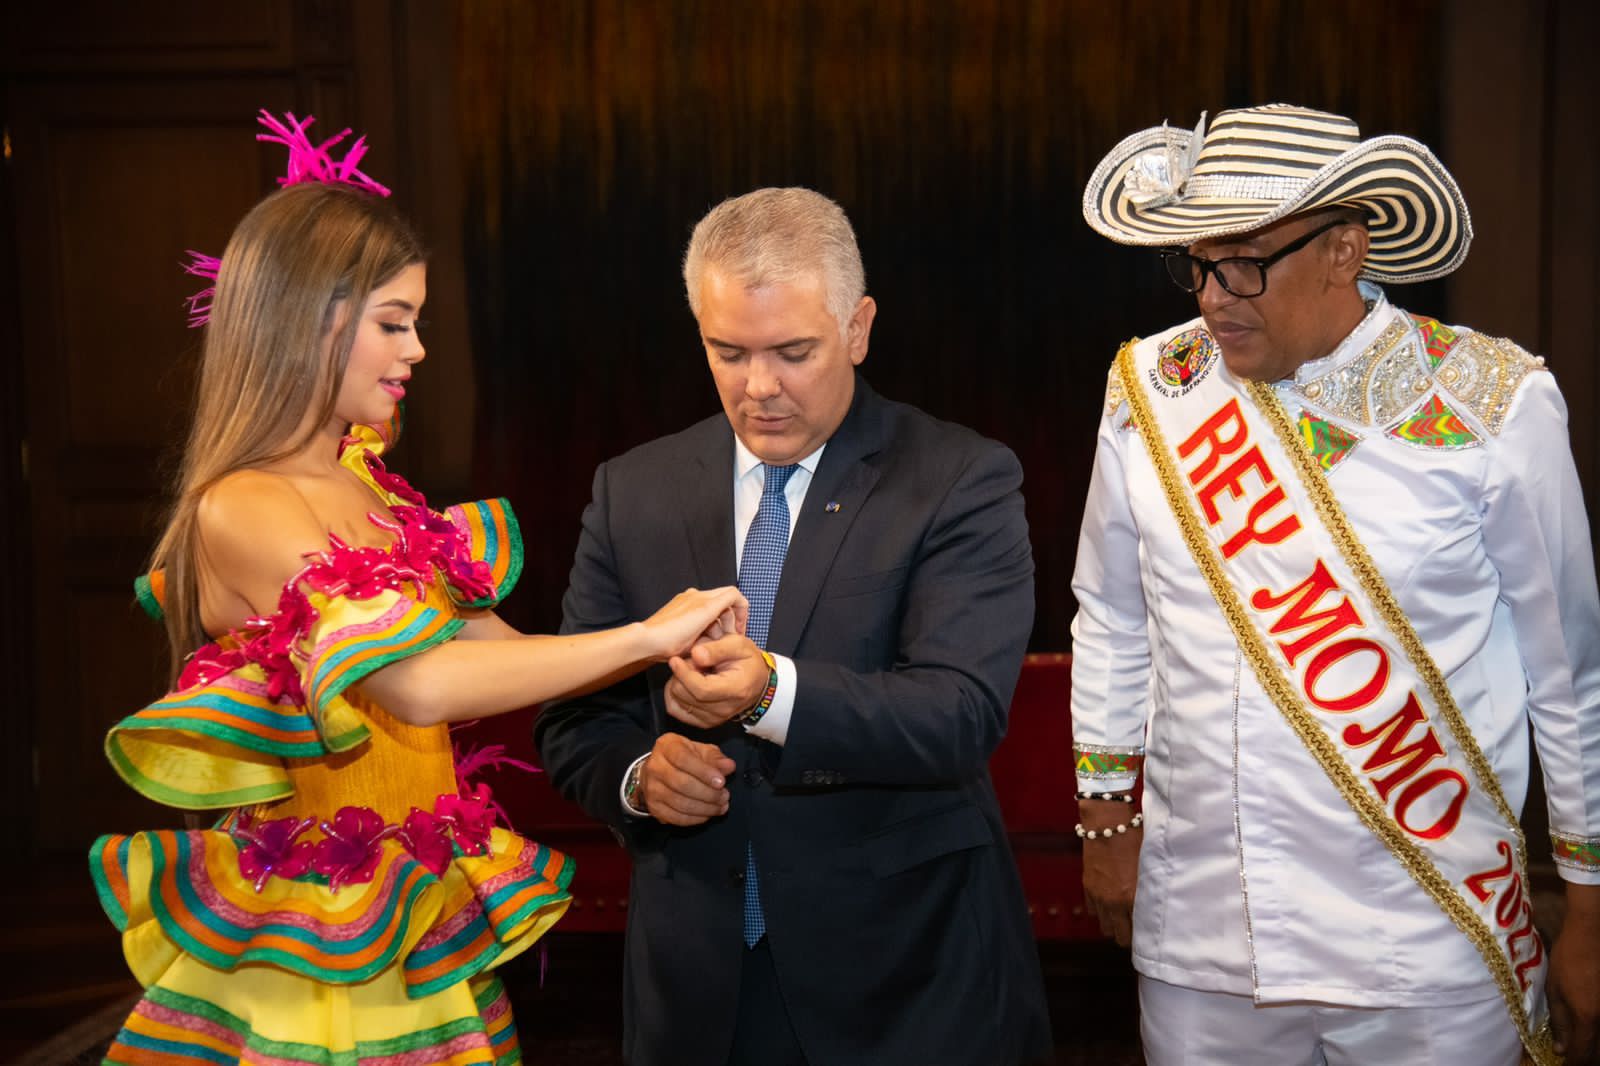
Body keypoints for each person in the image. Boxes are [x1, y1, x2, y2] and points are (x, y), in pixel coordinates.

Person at [89, 112, 745, 1065]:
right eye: (394, 323)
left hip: (416, 905)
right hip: (318, 939)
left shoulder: (373, 488)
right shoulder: (240, 507)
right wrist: (646, 637)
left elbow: (498, 656)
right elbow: (418, 685)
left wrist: (673, 643)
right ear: (307, 322)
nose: (417, 351)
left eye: (417, 323)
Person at [1069, 102, 1600, 1066]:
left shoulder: (1493, 402)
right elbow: (1110, 616)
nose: (1212, 297)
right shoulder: (1149, 385)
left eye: (1243, 264)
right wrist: (1105, 816)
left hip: (1427, 937)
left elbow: (1571, 677)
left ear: (1346, 249)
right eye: (1195, 264)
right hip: (1202, 930)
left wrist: (1593, 902)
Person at [533, 186, 1051, 1066]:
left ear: (858, 328)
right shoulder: (635, 491)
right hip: (696, 990)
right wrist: (638, 778)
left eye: (793, 352)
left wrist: (773, 691)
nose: (758, 386)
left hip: (907, 982)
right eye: (726, 352)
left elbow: (960, 714)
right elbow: (575, 715)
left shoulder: (960, 478)